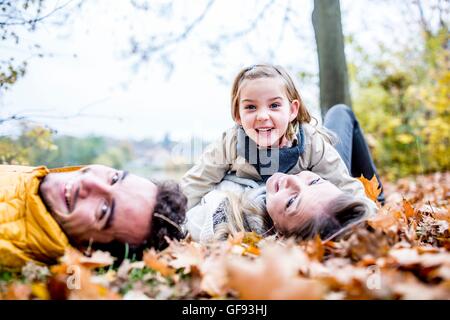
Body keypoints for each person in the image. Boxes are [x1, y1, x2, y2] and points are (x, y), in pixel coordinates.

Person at [181, 64, 379, 239]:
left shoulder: (311, 142)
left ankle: (379, 195)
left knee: (340, 112)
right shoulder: (230, 144)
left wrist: (370, 217)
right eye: (250, 107)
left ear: (292, 110)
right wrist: (174, 223)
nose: (262, 116)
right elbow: (196, 183)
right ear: (237, 115)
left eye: (274, 105)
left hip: (315, 186)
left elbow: (344, 185)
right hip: (285, 200)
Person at [0, 164, 187, 270]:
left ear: (87, 250)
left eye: (103, 210)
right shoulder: (31, 179)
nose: (89, 181)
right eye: (114, 178)